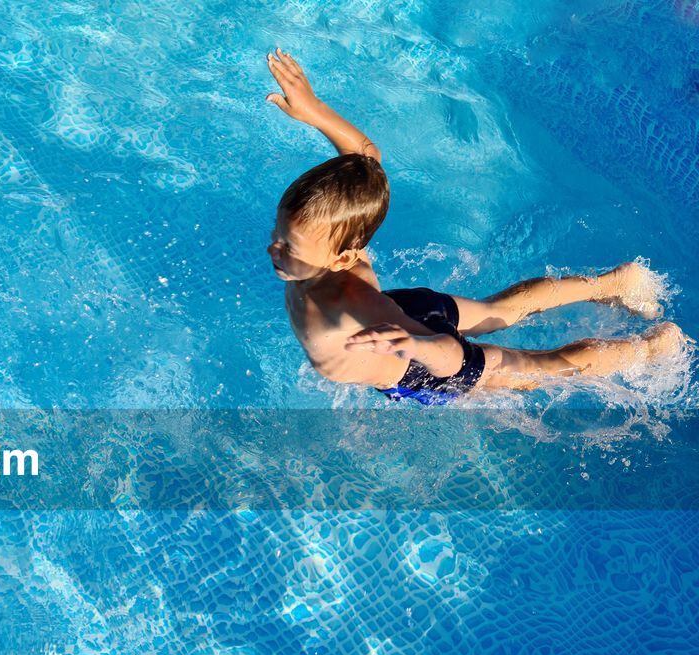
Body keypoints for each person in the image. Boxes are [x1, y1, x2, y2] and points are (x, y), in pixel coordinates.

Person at [263, 49, 686, 405]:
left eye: (288, 247)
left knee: (544, 370)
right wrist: (315, 111)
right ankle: (614, 282)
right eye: (277, 236)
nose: (274, 251)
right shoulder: (332, 242)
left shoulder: (353, 304)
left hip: (420, 360)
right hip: (405, 312)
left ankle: (652, 348)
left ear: (344, 258)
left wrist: (413, 346)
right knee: (498, 311)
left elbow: (448, 354)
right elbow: (366, 158)